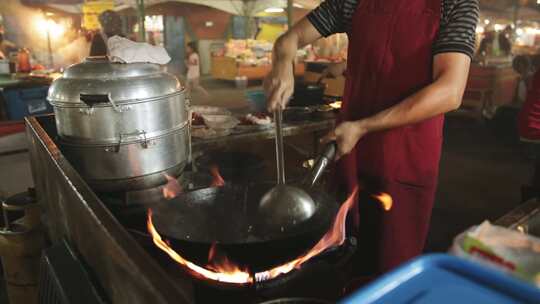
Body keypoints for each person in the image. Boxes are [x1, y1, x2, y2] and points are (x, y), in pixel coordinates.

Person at [264, 0, 479, 281]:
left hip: (405, 159)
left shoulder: (456, 4)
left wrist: (363, 127)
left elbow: (450, 90)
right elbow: (289, 38)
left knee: (391, 272)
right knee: (341, 261)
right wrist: (283, 62)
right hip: (348, 153)